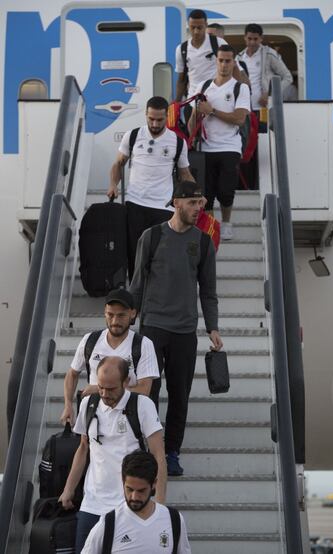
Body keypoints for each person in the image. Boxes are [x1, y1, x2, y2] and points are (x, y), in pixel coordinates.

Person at [129, 180, 223, 476]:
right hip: (153, 327)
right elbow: (137, 283)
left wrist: (213, 327)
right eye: (193, 203)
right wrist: (128, 321)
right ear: (177, 203)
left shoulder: (203, 241)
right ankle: (148, 451)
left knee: (180, 395)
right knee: (149, 393)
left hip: (184, 330)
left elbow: (208, 290)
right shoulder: (152, 236)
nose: (198, 209)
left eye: (201, 203)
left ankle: (171, 453)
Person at [59, 356, 167, 553]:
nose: (104, 394)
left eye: (111, 389)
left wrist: (159, 505)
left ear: (126, 382)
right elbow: (83, 448)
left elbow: (158, 455)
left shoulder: (142, 405)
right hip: (92, 504)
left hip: (128, 506)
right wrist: (69, 489)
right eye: (100, 387)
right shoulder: (89, 404)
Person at [107, 96, 194, 282]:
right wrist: (113, 185)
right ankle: (135, 297)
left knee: (160, 256)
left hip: (163, 207)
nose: (155, 123)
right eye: (151, 119)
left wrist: (197, 196)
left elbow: (185, 174)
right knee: (135, 253)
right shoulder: (132, 136)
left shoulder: (177, 142)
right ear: (146, 115)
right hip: (135, 203)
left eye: (159, 119)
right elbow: (118, 164)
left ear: (166, 117)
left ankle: (158, 295)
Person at [60, 289, 159, 426]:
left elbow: (144, 390)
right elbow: (72, 374)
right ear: (105, 313)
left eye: (121, 315)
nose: (114, 321)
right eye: (110, 315)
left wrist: (99, 389)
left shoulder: (143, 345)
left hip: (130, 418)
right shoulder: (90, 341)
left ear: (133, 314)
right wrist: (68, 404)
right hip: (94, 417)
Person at [189, 45, 251, 240]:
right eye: (221, 60)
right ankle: (209, 228)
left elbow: (240, 118)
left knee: (226, 191)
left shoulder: (240, 88)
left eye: (228, 61)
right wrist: (191, 134)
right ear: (215, 61)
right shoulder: (203, 86)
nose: (224, 64)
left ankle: (226, 222)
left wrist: (212, 111)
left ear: (234, 63)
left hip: (229, 147)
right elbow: (193, 118)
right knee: (205, 195)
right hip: (205, 148)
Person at [81, 450, 191, 553]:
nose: (134, 497)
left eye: (141, 491)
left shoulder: (174, 520)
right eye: (129, 489)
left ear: (154, 484)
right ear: (123, 482)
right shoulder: (108, 523)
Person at [175, 9, 249, 102]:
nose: (196, 31)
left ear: (206, 25)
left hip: (217, 99)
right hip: (193, 100)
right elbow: (181, 80)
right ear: (188, 25)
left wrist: (241, 95)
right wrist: (177, 102)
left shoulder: (218, 43)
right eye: (192, 27)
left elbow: (235, 68)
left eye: (199, 27)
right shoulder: (182, 49)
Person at [237, 23, 293, 110]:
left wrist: (270, 94)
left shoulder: (269, 54)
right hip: (245, 108)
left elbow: (288, 77)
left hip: (264, 108)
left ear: (261, 38)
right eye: (249, 38)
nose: (252, 42)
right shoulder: (239, 58)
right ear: (244, 37)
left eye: (255, 39)